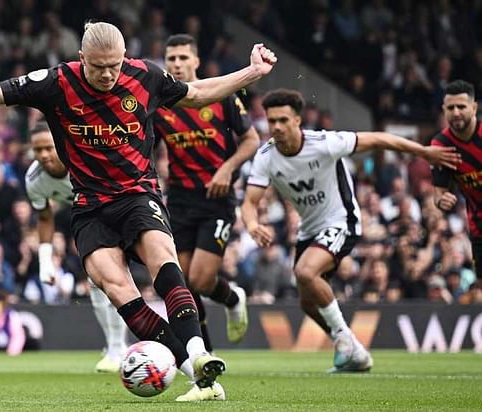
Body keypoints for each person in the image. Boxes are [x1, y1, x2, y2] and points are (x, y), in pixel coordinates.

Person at [0, 21, 277, 401]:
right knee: (119, 292)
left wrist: (253, 72)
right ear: (82, 58)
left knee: (164, 262)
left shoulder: (145, 75)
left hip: (137, 195)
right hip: (90, 207)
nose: (107, 74)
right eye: (98, 66)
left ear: (124, 57)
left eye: (114, 65)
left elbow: (198, 93)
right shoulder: (56, 82)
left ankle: (200, 353)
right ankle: (196, 376)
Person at [242, 89, 460, 372]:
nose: (277, 127)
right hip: (310, 229)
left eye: (283, 120)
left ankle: (345, 340)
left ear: (298, 120)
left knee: (305, 272)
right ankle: (353, 350)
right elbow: (249, 202)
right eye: (272, 121)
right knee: (307, 301)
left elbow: (380, 139)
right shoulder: (266, 156)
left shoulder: (325, 143)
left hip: (341, 220)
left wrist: (424, 152)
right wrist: (251, 224)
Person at [153, 34, 256, 351]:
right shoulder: (159, 106)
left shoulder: (219, 95)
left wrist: (227, 168)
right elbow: (149, 150)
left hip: (216, 199)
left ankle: (232, 296)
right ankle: (205, 351)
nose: (177, 64)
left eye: (184, 58)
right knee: (182, 283)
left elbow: (251, 140)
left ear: (196, 61)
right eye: (172, 59)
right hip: (181, 200)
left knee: (199, 279)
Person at [25, 121, 128, 373]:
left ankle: (122, 347)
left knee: (115, 280)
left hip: (120, 210)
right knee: (95, 284)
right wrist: (45, 261)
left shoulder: (82, 159)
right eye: (38, 150)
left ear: (59, 143)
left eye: (49, 148)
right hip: (89, 221)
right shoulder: (34, 179)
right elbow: (45, 217)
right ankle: (115, 347)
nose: (44, 155)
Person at [431, 80, 482, 285]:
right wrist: (441, 200)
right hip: (478, 227)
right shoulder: (441, 145)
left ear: (474, 107)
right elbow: (439, 191)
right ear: (444, 110)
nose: (456, 112)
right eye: (450, 108)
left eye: (461, 106)